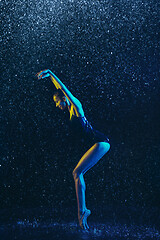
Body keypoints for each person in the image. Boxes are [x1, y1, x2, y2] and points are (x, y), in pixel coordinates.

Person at [36, 69, 110, 230]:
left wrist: (51, 73)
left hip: (100, 142)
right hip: (98, 143)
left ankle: (82, 211)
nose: (57, 106)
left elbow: (64, 89)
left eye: (57, 102)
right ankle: (82, 212)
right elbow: (60, 90)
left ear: (64, 99)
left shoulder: (76, 107)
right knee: (77, 173)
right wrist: (50, 79)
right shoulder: (70, 112)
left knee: (77, 173)